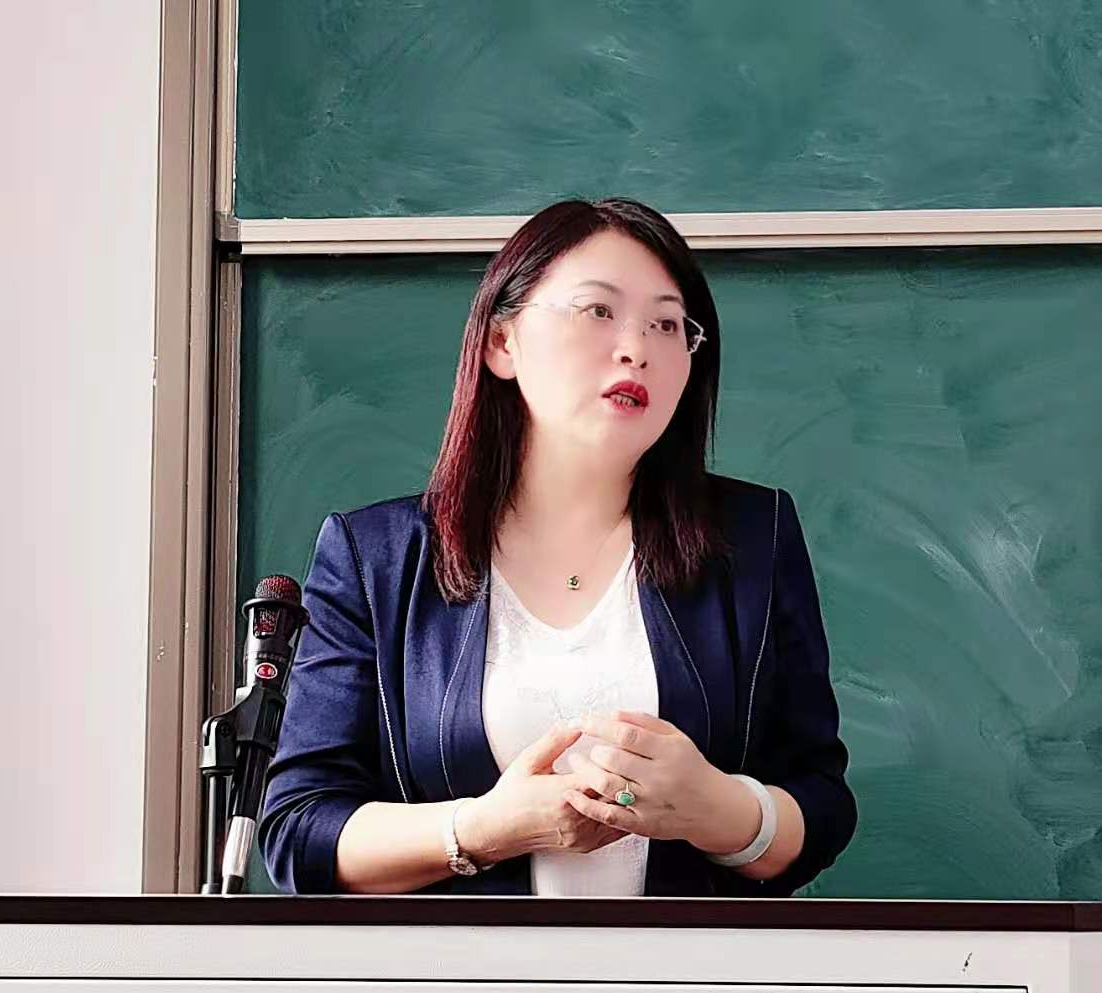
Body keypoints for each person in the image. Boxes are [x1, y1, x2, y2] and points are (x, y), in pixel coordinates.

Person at [259, 196, 857, 897]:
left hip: (694, 965)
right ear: (501, 343)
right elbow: (299, 832)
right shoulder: (376, 559)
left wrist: (718, 810)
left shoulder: (755, 537)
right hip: (460, 968)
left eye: (667, 324)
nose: (637, 348)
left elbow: (820, 805)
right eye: (598, 310)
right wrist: (484, 829)